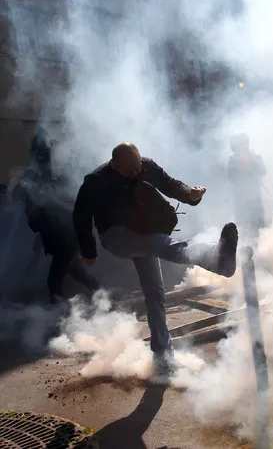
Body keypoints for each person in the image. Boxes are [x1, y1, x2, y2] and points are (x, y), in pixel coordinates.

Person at [73, 142, 238, 378]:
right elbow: (80, 216)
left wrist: (191, 195)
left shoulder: (147, 166)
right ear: (114, 164)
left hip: (144, 231)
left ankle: (162, 357)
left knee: (155, 293)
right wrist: (89, 251)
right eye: (129, 170)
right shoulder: (96, 181)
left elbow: (170, 185)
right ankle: (216, 259)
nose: (135, 173)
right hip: (116, 236)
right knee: (161, 245)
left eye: (138, 167)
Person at [12, 127, 100, 304]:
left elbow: (68, 199)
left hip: (63, 231)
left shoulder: (53, 177)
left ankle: (59, 301)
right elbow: (17, 195)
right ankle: (98, 292)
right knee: (73, 267)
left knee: (61, 270)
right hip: (53, 231)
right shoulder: (33, 176)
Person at [227, 133, 267, 241]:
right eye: (240, 145)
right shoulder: (232, 162)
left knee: (259, 230)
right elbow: (231, 177)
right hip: (241, 203)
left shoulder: (255, 158)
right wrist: (241, 162)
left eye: (244, 144)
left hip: (256, 202)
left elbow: (263, 171)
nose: (243, 147)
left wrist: (252, 159)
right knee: (242, 231)